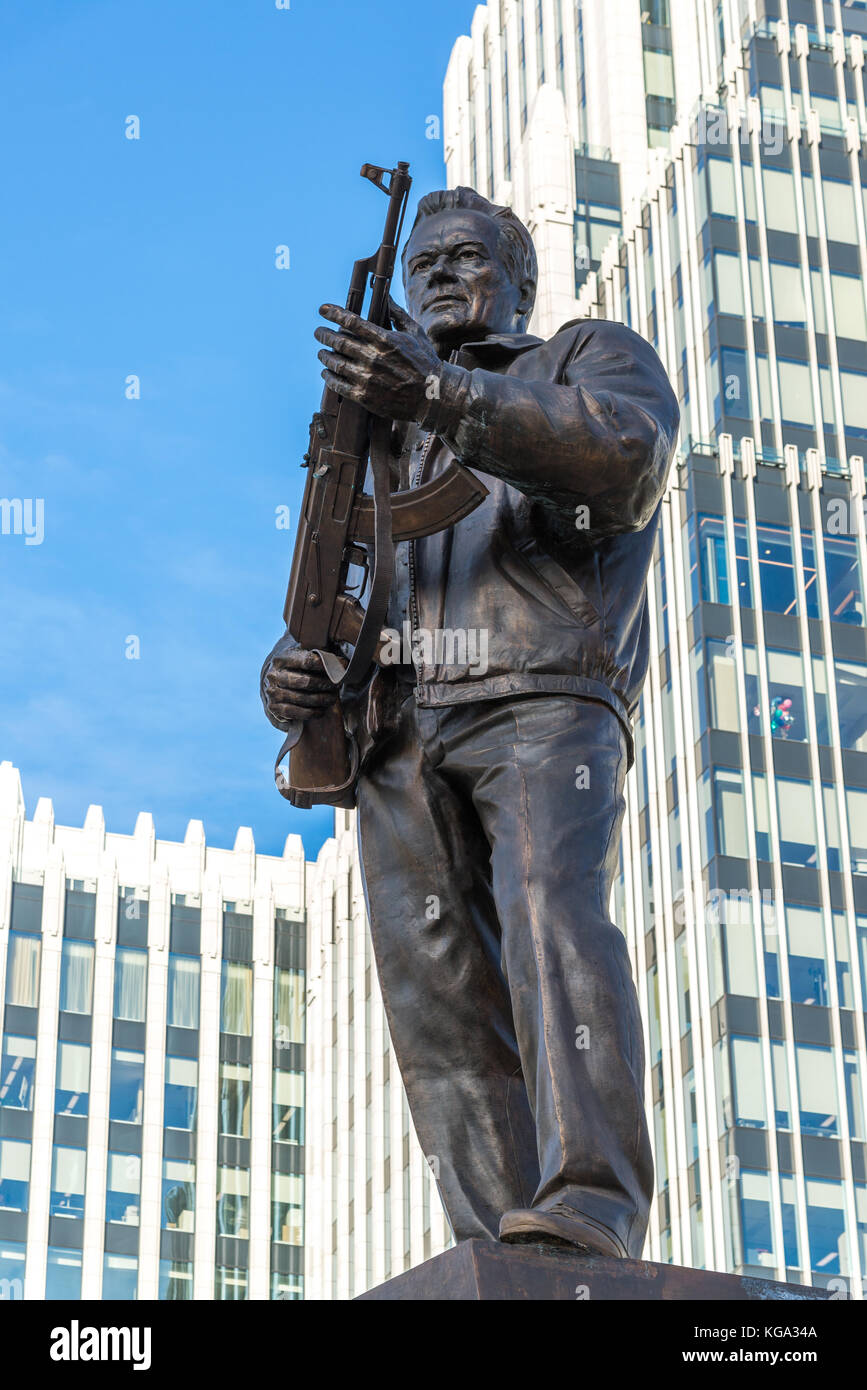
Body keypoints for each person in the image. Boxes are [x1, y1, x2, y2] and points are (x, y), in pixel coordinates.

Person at [261, 187, 679, 1257]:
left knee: (553, 923)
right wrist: (295, 676)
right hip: (397, 735)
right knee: (433, 1000)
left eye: (464, 255)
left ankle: (592, 1197)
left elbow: (622, 463)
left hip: (537, 692)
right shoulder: (379, 437)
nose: (439, 275)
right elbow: (337, 597)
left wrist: (444, 394)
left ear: (520, 277)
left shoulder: (585, 356)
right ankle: (500, 1240)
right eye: (424, 264)